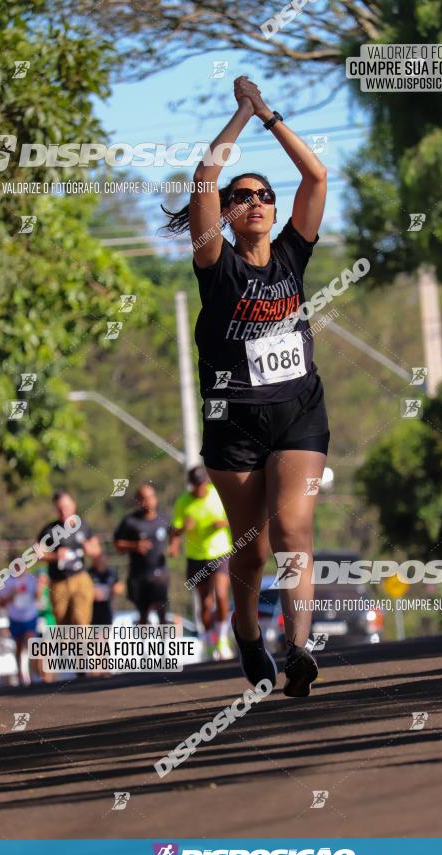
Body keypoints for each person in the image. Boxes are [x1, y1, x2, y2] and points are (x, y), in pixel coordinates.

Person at [162, 76, 329, 697]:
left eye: (263, 195)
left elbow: (315, 177)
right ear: (228, 215)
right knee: (252, 550)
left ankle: (299, 646)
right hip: (233, 421)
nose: (254, 201)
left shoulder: (293, 254)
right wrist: (238, 116)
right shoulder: (216, 264)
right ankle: (247, 632)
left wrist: (269, 115)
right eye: (243, 197)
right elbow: (205, 180)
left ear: (275, 209)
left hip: (297, 411)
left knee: (293, 532)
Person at [170, 466, 233, 661]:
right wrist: (181, 531)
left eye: (201, 485)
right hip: (196, 557)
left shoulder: (218, 494)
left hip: (220, 552)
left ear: (206, 482)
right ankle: (207, 641)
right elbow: (175, 531)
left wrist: (224, 523)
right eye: (195, 486)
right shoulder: (183, 502)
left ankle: (222, 639)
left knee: (222, 596)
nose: (199, 489)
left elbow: (236, 516)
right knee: (206, 603)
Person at [37, 491, 100, 626]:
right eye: (60, 508)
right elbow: (37, 554)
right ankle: (67, 647)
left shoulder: (83, 526)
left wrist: (90, 549)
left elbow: (97, 549)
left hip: (80, 578)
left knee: (81, 621)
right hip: (58, 582)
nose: (63, 511)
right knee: (63, 625)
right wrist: (55, 556)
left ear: (73, 506)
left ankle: (84, 647)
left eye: (66, 507)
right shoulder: (49, 530)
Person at [114, 483, 170, 624]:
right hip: (139, 575)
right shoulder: (130, 521)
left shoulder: (164, 518)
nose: (148, 501)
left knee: (162, 612)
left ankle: (163, 645)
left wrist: (173, 547)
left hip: (160, 575)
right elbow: (117, 544)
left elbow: (175, 534)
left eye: (151, 497)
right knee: (143, 614)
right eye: (144, 498)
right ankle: (144, 644)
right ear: (138, 501)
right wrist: (134, 546)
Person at [0, 566, 42, 686]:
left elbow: (37, 597)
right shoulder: (7, 582)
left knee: (31, 643)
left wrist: (40, 586)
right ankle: (20, 676)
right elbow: (1, 603)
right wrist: (12, 594)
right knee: (18, 646)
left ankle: (34, 676)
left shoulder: (31, 579)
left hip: (30, 617)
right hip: (15, 618)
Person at [88, 554, 124, 626]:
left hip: (107, 608)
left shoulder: (112, 573)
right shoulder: (88, 573)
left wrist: (115, 589)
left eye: (101, 558)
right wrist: (92, 592)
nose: (100, 561)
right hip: (92, 609)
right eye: (97, 558)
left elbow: (120, 587)